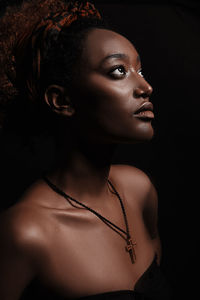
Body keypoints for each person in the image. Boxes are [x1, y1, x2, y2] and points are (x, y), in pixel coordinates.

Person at [0, 0, 172, 299]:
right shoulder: (25, 232)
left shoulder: (139, 190)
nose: (145, 87)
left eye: (139, 70)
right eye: (119, 71)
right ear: (61, 101)